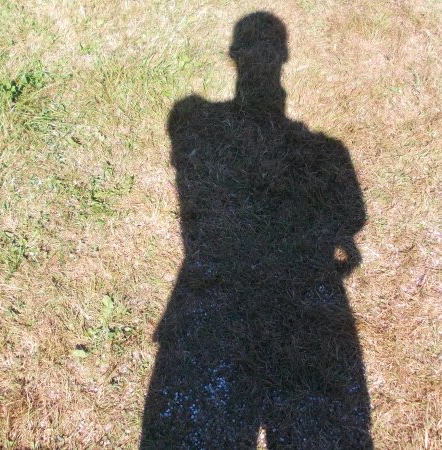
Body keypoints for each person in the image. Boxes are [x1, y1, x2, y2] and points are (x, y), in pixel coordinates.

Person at [141, 12, 372, 449]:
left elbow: (351, 219)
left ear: (235, 55)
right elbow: (352, 219)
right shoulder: (325, 151)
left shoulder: (197, 121)